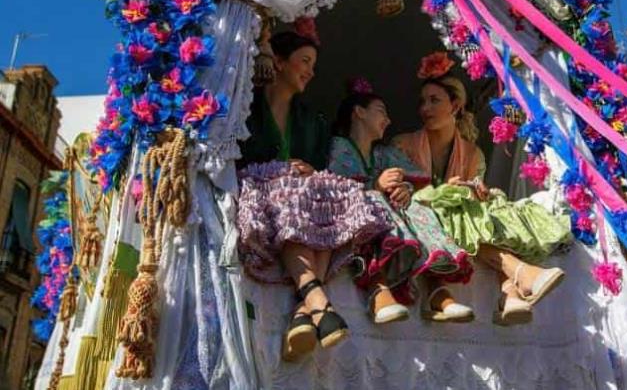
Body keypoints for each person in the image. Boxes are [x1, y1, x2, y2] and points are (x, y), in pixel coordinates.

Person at [236, 29, 393, 361]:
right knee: (290, 196)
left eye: (313, 64)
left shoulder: (313, 121)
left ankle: (306, 312)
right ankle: (315, 300)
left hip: (299, 193)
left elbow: (319, 167)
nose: (311, 71)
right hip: (262, 189)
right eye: (304, 61)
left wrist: (306, 168)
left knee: (323, 195)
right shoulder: (245, 108)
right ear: (277, 62)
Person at [394, 53, 572, 325]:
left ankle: (510, 293)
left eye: (434, 100)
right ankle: (516, 281)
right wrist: (447, 191)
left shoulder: (474, 154)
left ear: (455, 105)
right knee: (460, 208)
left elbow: (472, 198)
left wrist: (477, 191)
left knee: (492, 208)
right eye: (423, 102)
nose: (425, 109)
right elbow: (399, 190)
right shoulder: (402, 144)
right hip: (419, 216)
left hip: (459, 219)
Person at [327, 80, 474, 323]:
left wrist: (404, 189)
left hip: (385, 209)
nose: (389, 120)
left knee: (415, 205)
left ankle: (436, 288)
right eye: (381, 112)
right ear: (359, 113)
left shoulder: (383, 153)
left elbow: (418, 180)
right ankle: (378, 288)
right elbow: (335, 187)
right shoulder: (338, 146)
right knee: (373, 201)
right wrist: (376, 186)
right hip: (355, 215)